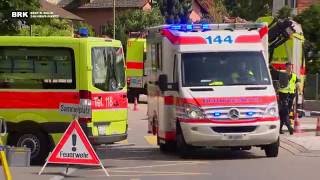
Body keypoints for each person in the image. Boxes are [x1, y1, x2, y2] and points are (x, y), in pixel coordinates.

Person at [278, 62, 301, 135]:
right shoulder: (282, 75)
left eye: (291, 67)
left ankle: (280, 129)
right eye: (288, 67)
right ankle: (289, 127)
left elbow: (297, 84)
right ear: (286, 68)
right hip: (283, 95)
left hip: (291, 96)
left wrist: (300, 90)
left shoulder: (294, 75)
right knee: (285, 112)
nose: (290, 68)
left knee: (284, 113)